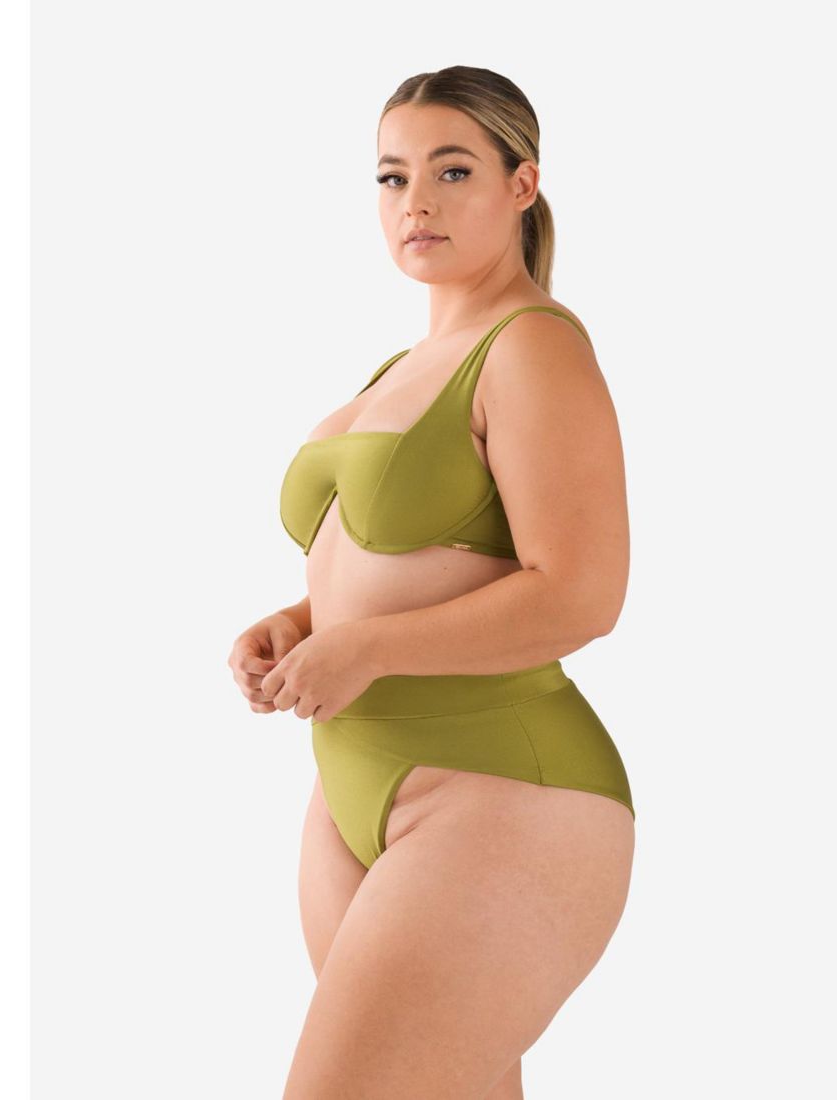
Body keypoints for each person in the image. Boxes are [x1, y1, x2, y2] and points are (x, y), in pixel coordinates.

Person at [228, 65, 636, 1100]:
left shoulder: (532, 346)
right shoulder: (401, 366)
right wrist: (301, 621)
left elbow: (581, 591)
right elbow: (420, 567)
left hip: (499, 790)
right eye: (392, 175)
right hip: (354, 790)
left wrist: (364, 645)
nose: (416, 201)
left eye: (453, 171)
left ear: (521, 184)